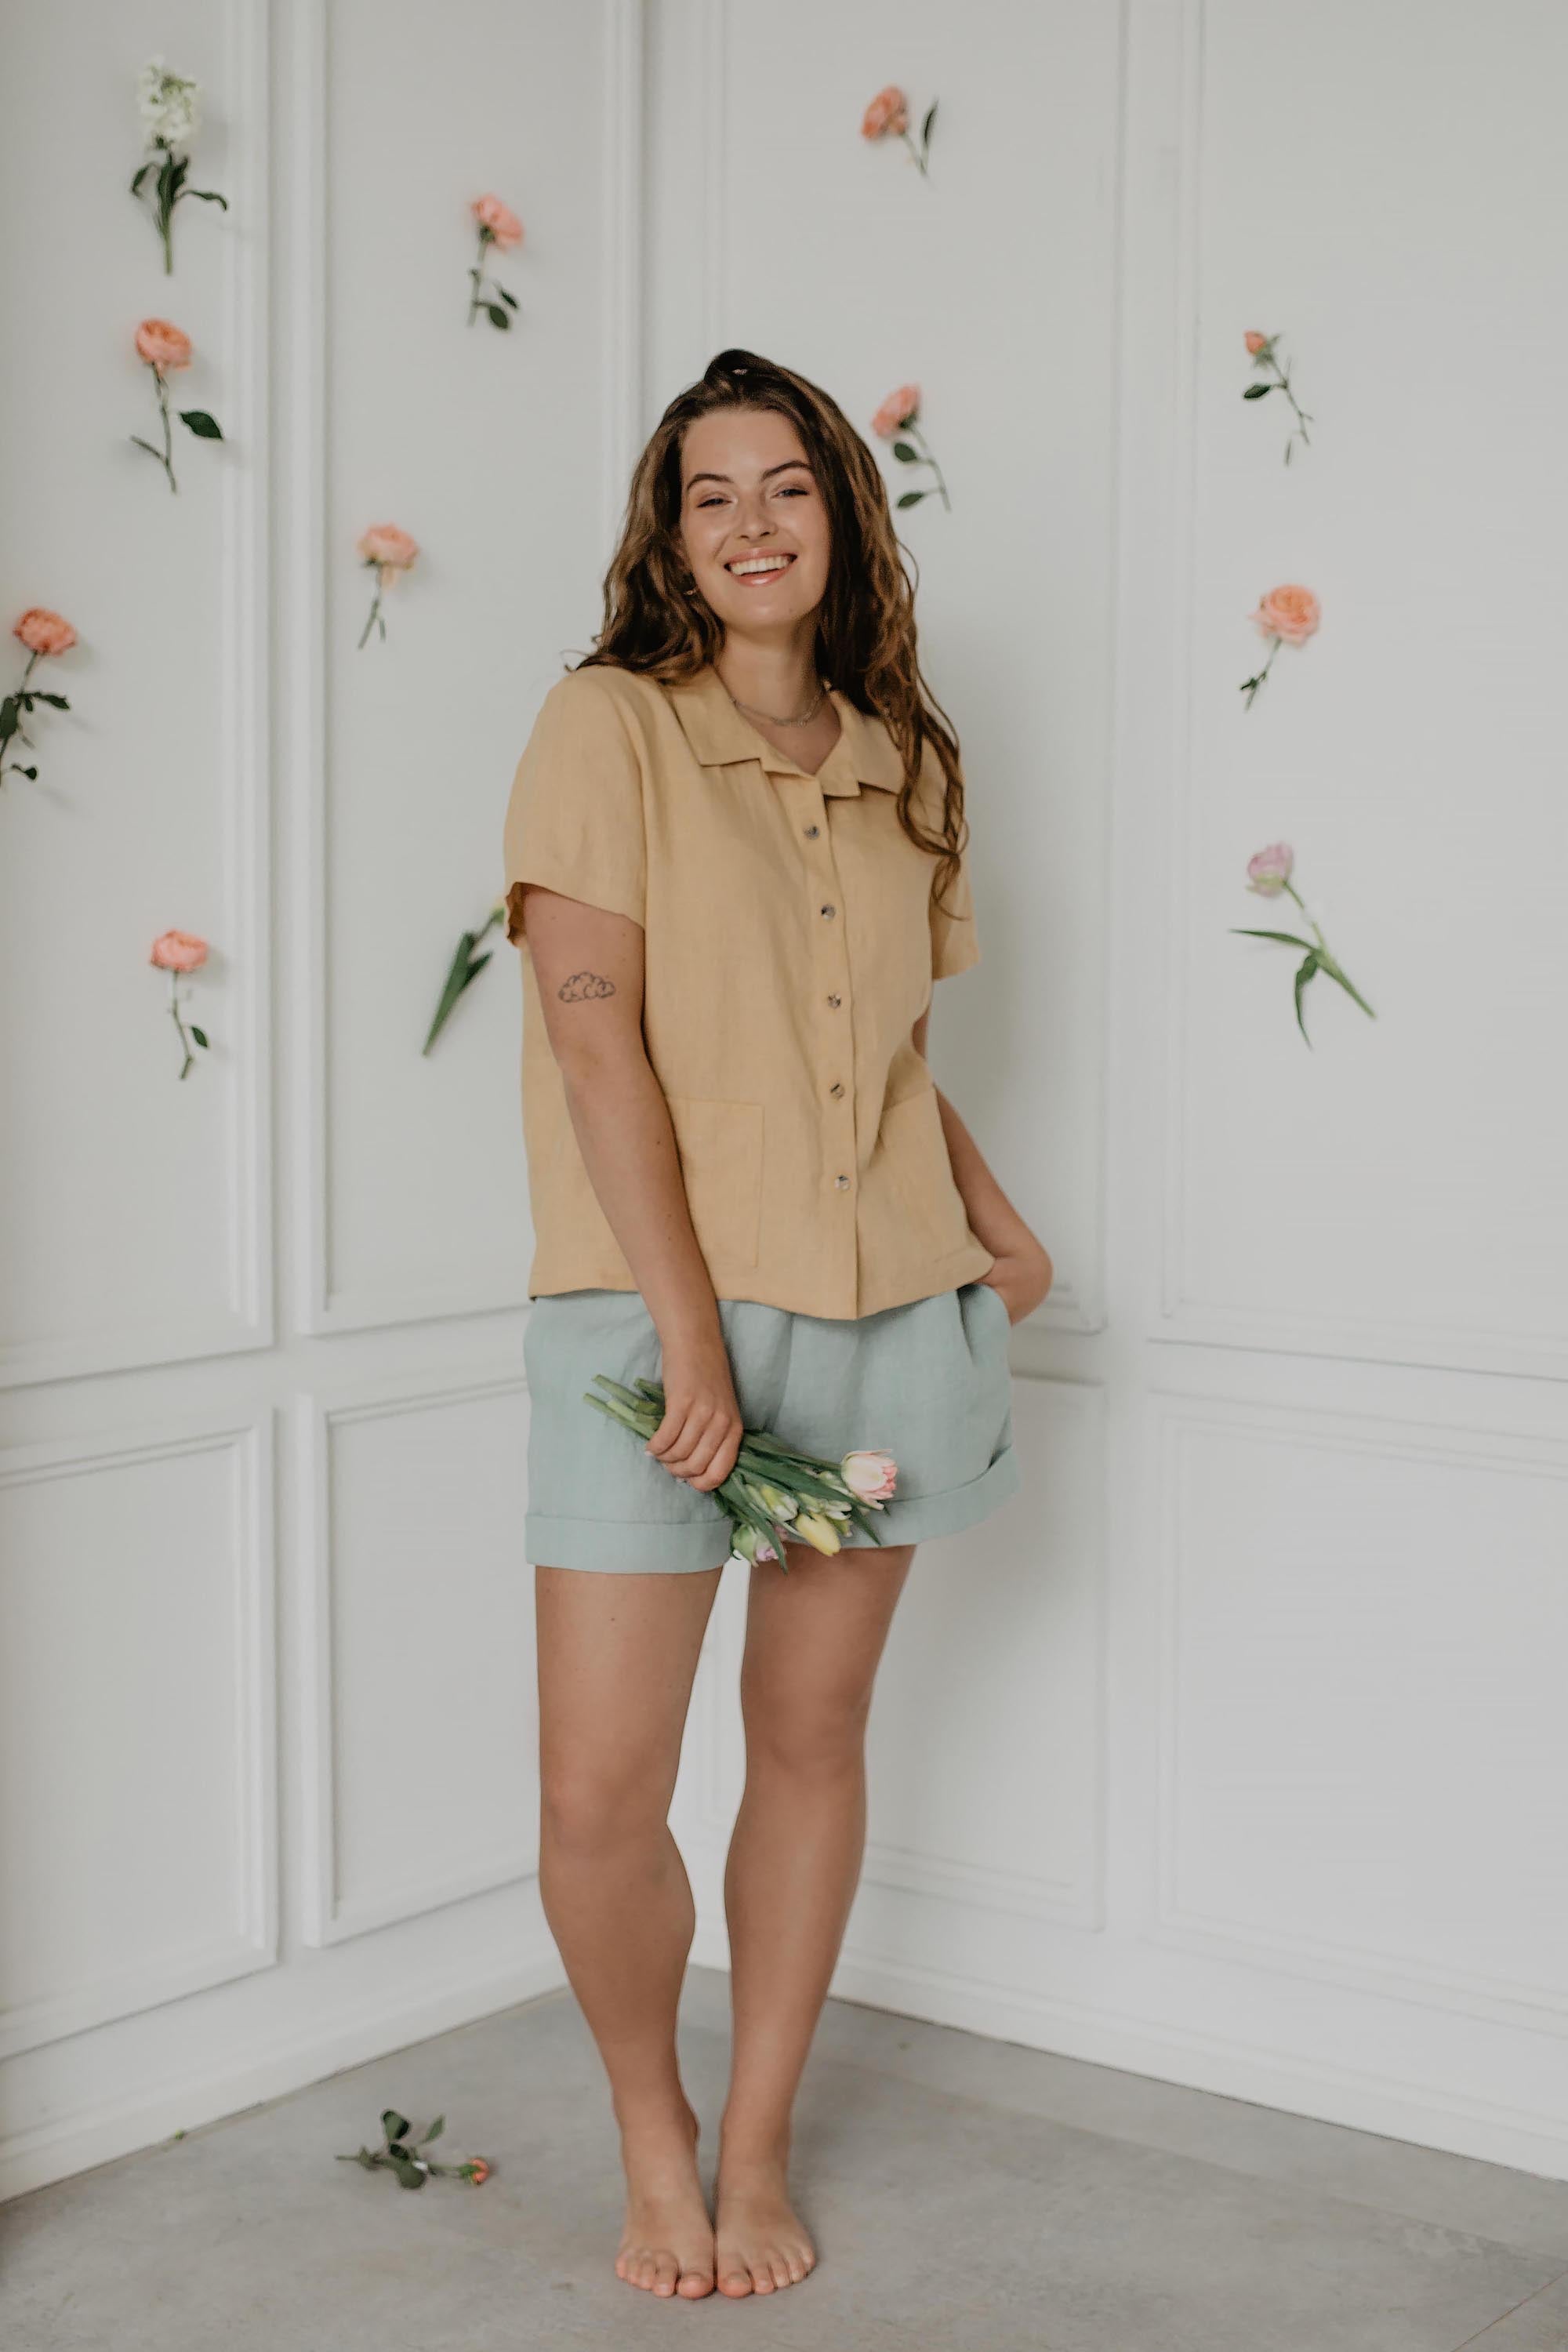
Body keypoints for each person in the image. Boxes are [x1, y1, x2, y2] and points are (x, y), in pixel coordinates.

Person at [501, 348, 1053, 2301]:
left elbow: (886, 1048)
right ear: (669, 537)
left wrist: (995, 1231)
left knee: (809, 1742)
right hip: (648, 1329)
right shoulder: (606, 727)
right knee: (598, 1791)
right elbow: (598, 1054)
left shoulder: (909, 758)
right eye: (709, 493)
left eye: (786, 486)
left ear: (841, 514)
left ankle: (754, 2148)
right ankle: (651, 2132)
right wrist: (691, 1339)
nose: (750, 524)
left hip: (887, 1307)